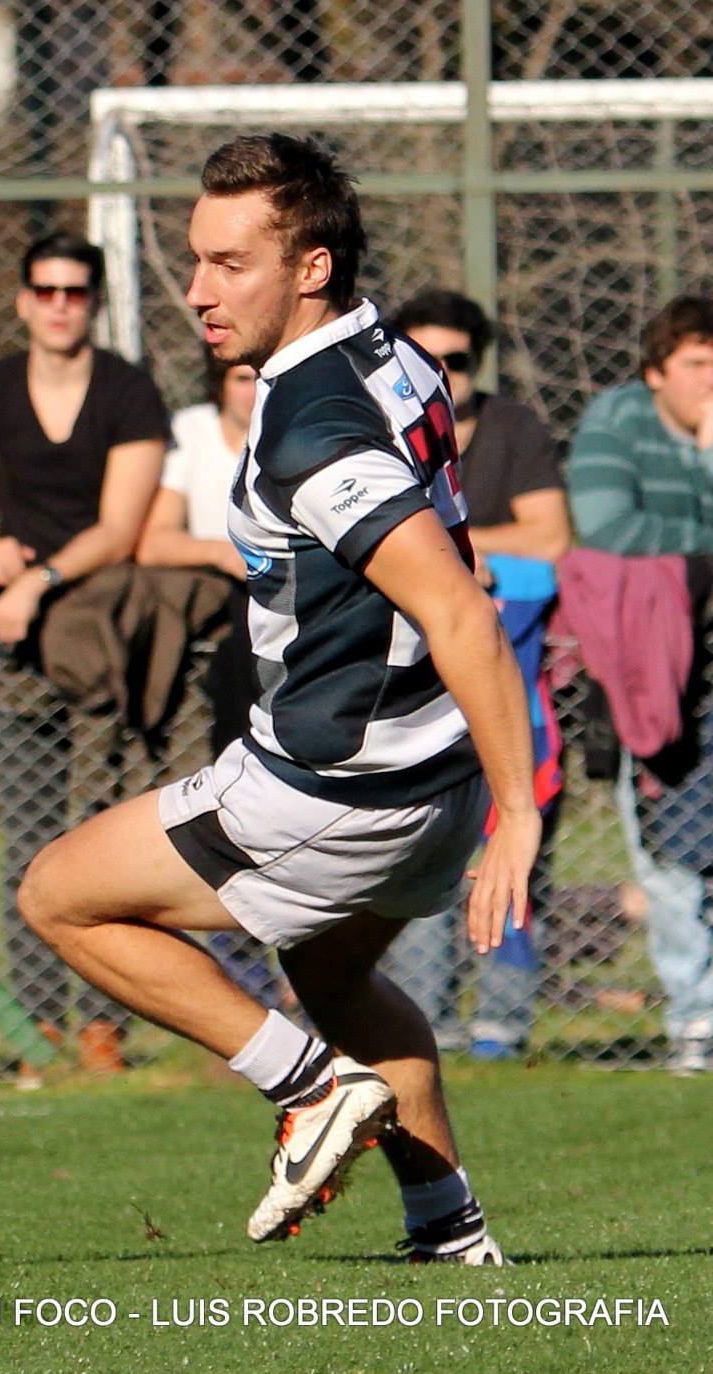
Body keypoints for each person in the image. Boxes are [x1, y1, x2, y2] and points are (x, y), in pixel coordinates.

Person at [16, 133, 537, 1264]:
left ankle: (306, 1093)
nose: (198, 291)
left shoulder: (312, 429)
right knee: (335, 975)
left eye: (229, 264)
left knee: (58, 895)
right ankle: (447, 1230)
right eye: (195, 260)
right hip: (427, 775)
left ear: (308, 267)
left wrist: (525, 812)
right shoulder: (390, 353)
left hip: (331, 787)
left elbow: (457, 611)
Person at [0, 230, 168, 1071]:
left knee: (113, 831)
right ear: (22, 298)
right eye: (44, 289)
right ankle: (35, 1021)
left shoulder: (128, 391)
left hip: (106, 635)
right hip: (17, 645)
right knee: (32, 827)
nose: (59, 304)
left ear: (94, 300)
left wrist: (35, 576)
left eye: (75, 291)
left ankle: (108, 1020)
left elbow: (119, 527)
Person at [384, 289, 570, 1059]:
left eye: (455, 361)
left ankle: (503, 1027)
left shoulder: (513, 429)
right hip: (406, 695)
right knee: (417, 866)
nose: (441, 374)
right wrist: (455, 557)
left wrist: (462, 549)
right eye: (423, 359)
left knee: (510, 851)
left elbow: (552, 537)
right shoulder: (378, 431)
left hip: (504, 691)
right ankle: (419, 1023)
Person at [565, 294, 713, 1073]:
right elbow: (607, 527)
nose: (709, 381)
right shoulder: (618, 421)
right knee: (671, 858)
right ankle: (697, 1020)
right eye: (695, 365)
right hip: (658, 677)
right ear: (658, 372)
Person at [136, 353, 276, 1006]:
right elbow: (155, 540)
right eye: (240, 378)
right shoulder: (190, 434)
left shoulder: (300, 429)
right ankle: (240, 979)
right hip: (211, 653)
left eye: (260, 378)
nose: (252, 391)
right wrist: (225, 551)